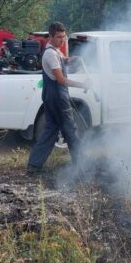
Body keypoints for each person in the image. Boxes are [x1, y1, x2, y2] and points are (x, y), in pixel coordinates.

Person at [27, 22, 90, 174]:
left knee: (50, 131)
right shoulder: (50, 54)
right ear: (50, 37)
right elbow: (61, 80)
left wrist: (73, 59)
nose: (62, 40)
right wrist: (82, 85)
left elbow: (64, 61)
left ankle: (34, 165)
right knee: (71, 130)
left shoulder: (55, 51)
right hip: (57, 98)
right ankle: (80, 166)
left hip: (51, 97)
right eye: (59, 37)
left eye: (63, 36)